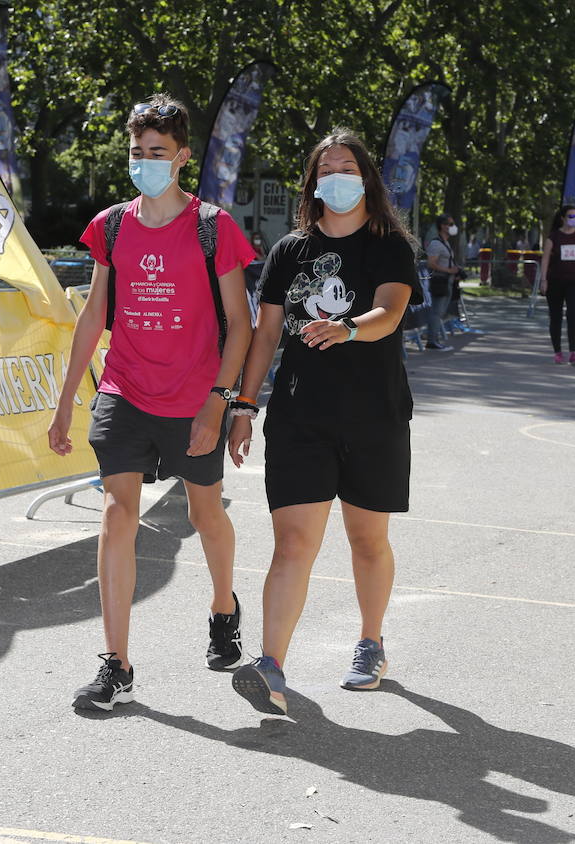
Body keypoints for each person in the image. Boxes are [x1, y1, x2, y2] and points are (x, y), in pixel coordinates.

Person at [48, 94, 256, 711]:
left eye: (157, 153)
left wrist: (220, 404)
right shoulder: (111, 226)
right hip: (125, 391)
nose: (144, 163)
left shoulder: (212, 227)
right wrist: (65, 403)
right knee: (116, 514)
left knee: (204, 515)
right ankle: (116, 663)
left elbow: (240, 325)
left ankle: (224, 605)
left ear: (182, 156)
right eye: (137, 153)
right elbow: (92, 317)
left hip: (195, 398)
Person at [226, 129, 417, 715]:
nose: (337, 177)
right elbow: (264, 336)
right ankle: (271, 665)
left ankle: (371, 641)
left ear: (367, 179)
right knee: (293, 544)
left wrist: (349, 327)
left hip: (374, 416)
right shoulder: (290, 251)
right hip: (300, 416)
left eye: (348, 167)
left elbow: (388, 312)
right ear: (313, 182)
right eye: (326, 168)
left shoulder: (389, 245)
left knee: (368, 541)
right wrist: (242, 405)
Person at [539, 205, 575, 365]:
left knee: (573, 314)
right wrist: (543, 280)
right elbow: (545, 260)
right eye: (571, 216)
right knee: (556, 317)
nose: (574, 219)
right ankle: (557, 351)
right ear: (563, 218)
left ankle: (574, 351)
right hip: (555, 282)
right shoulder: (553, 238)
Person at [422, 214, 459, 351]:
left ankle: (431, 336)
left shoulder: (446, 243)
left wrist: (455, 271)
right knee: (436, 312)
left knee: (439, 312)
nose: (452, 227)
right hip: (440, 281)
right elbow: (431, 264)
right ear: (442, 226)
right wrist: (449, 270)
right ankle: (432, 341)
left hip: (447, 281)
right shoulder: (436, 243)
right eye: (450, 224)